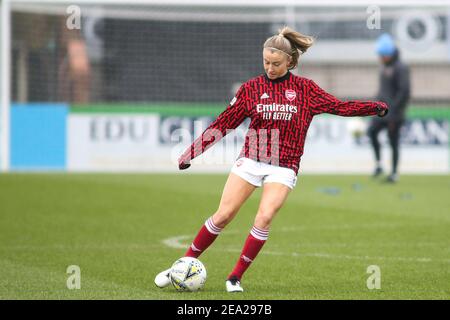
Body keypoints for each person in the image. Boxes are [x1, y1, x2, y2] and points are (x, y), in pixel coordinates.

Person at [155, 26, 388, 293]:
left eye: (276, 63)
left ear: (290, 61)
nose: (270, 67)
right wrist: (192, 152)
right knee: (224, 215)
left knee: (264, 217)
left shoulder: (306, 89)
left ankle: (234, 277)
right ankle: (182, 264)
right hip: (253, 158)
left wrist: (374, 107)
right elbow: (224, 123)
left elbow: (340, 107)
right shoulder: (251, 88)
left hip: (284, 165)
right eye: (266, 62)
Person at [368, 34, 410, 183]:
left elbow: (404, 92)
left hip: (395, 113)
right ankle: (379, 165)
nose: (380, 57)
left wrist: (394, 111)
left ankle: (394, 173)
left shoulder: (401, 68)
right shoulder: (384, 66)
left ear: (388, 54)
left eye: (381, 54)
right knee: (371, 132)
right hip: (381, 111)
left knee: (393, 141)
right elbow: (383, 91)